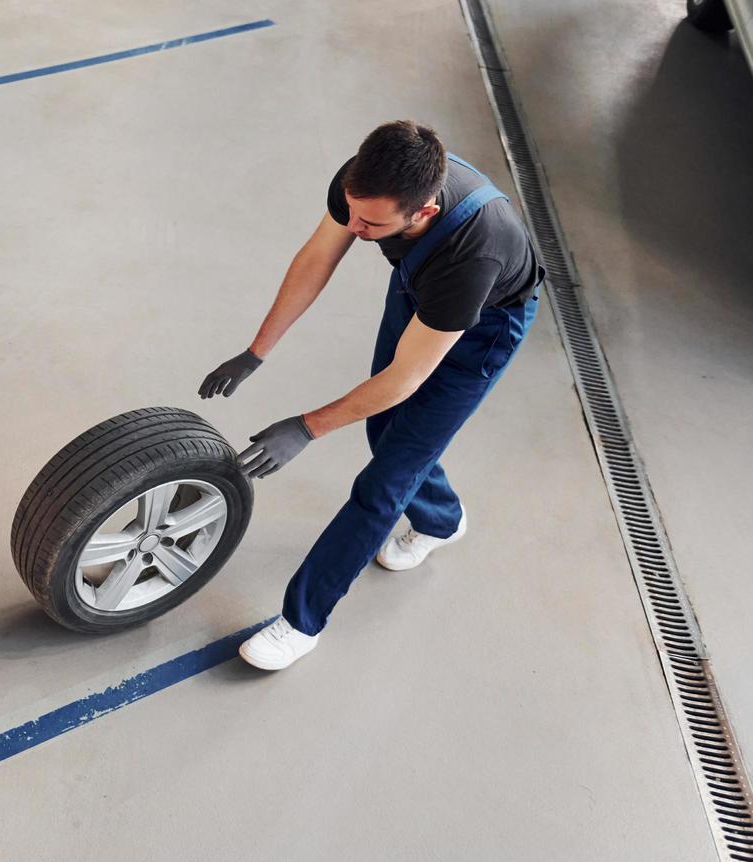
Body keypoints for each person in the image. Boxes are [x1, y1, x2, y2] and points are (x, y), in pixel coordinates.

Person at [198, 120, 544, 671]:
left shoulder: (474, 253)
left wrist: (305, 427)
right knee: (384, 430)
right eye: (353, 212)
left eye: (371, 223)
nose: (354, 227)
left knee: (385, 481)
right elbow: (317, 258)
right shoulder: (366, 185)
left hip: (481, 328)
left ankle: (300, 623)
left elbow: (404, 380)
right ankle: (442, 520)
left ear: (423, 212)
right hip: (419, 288)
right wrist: (256, 352)